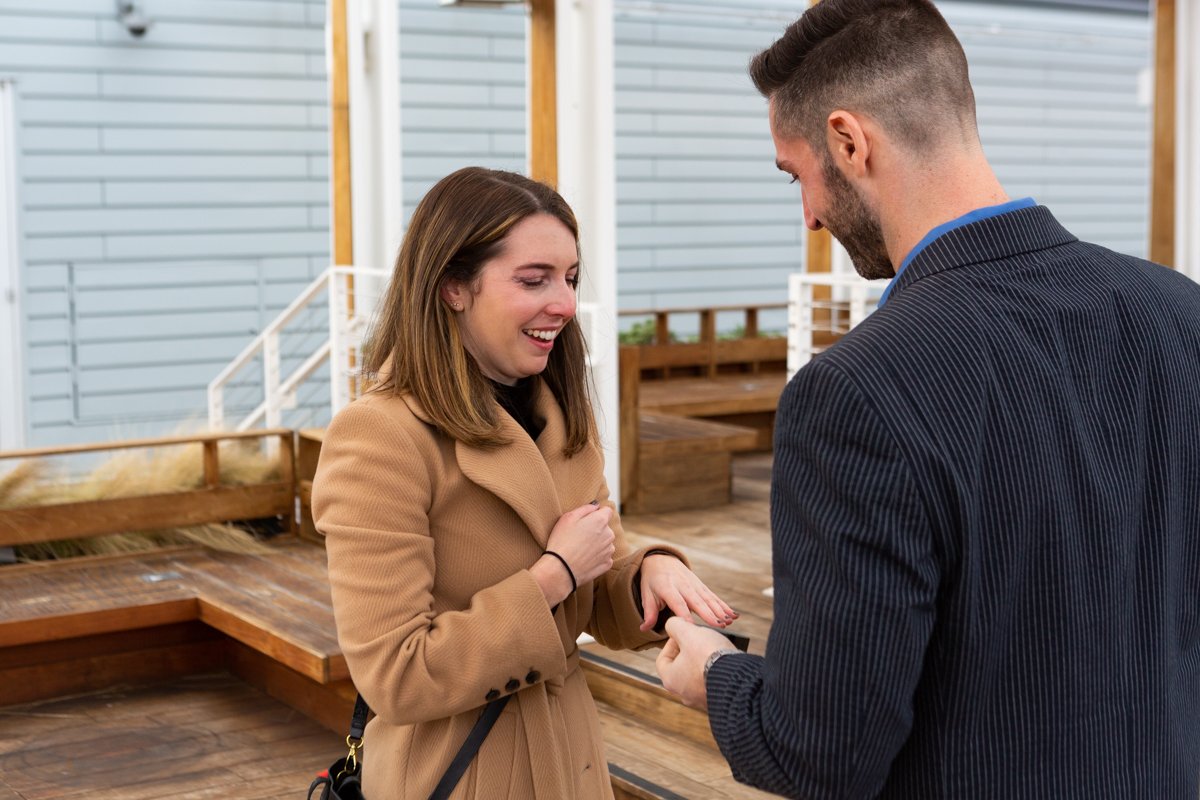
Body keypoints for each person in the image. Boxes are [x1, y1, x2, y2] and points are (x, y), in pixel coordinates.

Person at [656, 1, 1200, 798]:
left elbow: (824, 752)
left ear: (849, 141)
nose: (806, 213)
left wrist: (721, 678)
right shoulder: (1180, 314)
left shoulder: (855, 395)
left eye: (796, 174)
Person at [312, 166, 735, 800]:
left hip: (572, 765)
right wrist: (553, 576)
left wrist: (648, 572)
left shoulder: (560, 416)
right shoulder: (378, 437)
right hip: (455, 776)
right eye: (533, 280)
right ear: (454, 285)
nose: (564, 303)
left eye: (568, 277)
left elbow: (597, 598)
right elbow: (396, 676)